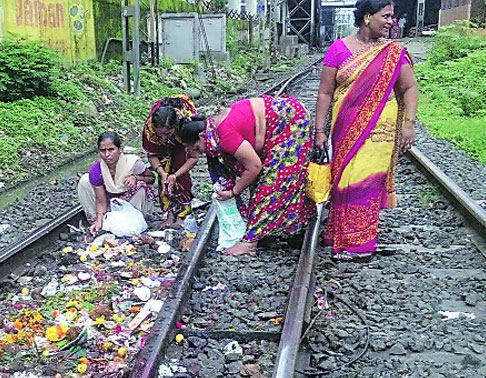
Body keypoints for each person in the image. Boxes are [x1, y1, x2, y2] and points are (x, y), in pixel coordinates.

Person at [314, 0, 418, 260]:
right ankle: (340, 236)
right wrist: (319, 129)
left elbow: (409, 88)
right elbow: (325, 93)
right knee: (343, 182)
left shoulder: (394, 53)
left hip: (379, 133)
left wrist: (409, 123)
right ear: (367, 17)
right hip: (344, 128)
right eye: (386, 16)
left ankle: (360, 245)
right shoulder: (338, 50)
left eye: (392, 17)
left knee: (365, 183)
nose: (391, 22)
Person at [178, 95, 315, 256]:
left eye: (196, 147)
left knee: (271, 183)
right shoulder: (213, 130)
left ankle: (250, 243)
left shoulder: (225, 135)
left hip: (292, 123)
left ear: (202, 136)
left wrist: (234, 191)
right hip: (281, 118)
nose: (199, 152)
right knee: (260, 184)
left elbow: (254, 167)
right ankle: (265, 230)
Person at [78, 131, 156, 235]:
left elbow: (151, 178)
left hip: (131, 205)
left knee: (140, 186)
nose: (107, 155)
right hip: (111, 204)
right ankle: (98, 223)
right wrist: (99, 220)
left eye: (111, 149)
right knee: (85, 180)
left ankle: (134, 223)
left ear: (120, 149)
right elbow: (101, 200)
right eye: (102, 150)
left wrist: (136, 177)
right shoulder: (97, 169)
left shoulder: (133, 163)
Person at [143, 94, 200, 227]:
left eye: (167, 134)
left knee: (181, 172)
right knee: (164, 174)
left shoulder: (187, 126)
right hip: (166, 142)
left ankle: (182, 214)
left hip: (181, 138)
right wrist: (162, 173)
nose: (162, 138)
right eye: (160, 134)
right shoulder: (150, 130)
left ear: (174, 129)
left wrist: (175, 175)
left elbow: (194, 157)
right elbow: (152, 155)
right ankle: (169, 213)